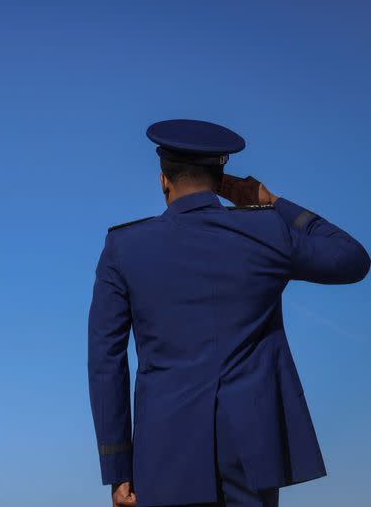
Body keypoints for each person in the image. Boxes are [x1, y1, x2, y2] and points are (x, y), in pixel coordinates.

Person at [87, 119, 369, 507]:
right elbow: (352, 259)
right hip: (251, 450)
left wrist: (118, 469)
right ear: (222, 177)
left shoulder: (124, 247)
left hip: (164, 452)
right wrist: (274, 203)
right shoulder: (266, 231)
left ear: (163, 180)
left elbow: (106, 359)